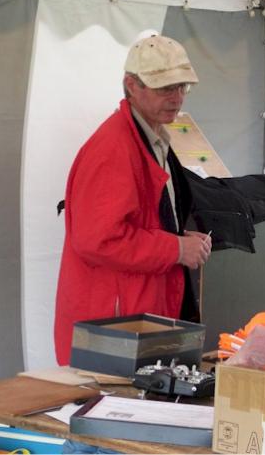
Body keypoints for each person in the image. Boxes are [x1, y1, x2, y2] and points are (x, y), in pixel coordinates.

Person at [54, 35, 212, 365]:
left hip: (131, 315)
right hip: (113, 324)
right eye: (165, 87)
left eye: (182, 86)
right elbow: (99, 240)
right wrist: (176, 248)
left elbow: (140, 221)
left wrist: (180, 238)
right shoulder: (114, 148)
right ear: (131, 85)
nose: (177, 97)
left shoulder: (148, 138)